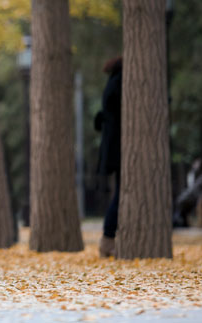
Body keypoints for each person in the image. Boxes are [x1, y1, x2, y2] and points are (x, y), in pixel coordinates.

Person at [94, 56, 122, 257]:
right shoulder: (118, 83)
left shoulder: (112, 83)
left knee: (121, 194)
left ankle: (108, 240)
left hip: (114, 148)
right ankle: (107, 240)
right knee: (121, 195)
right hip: (117, 148)